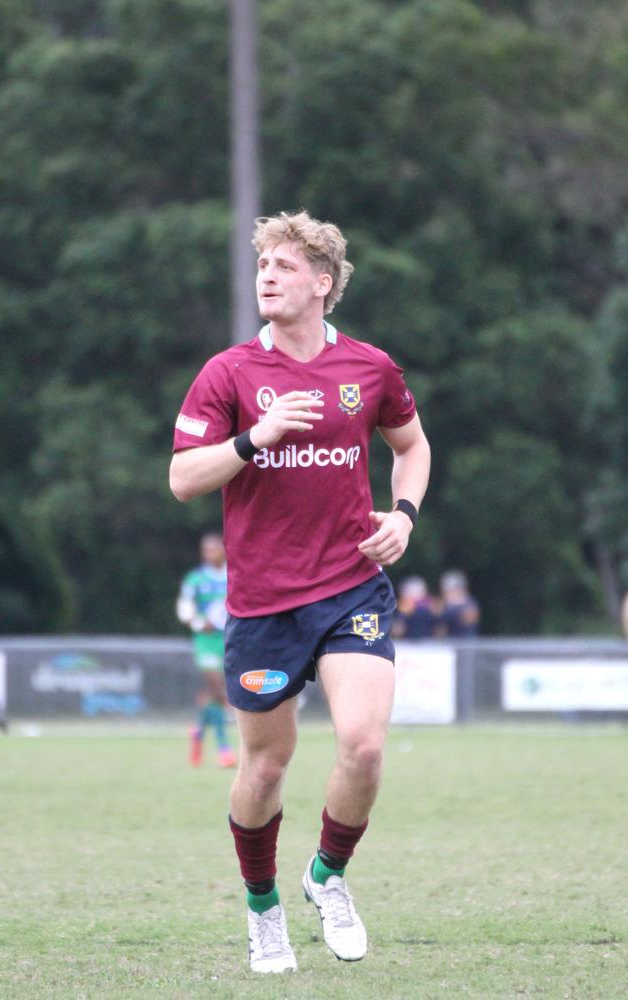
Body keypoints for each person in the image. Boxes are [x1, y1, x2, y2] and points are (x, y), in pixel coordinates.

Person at [169, 210, 431, 974]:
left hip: (352, 586)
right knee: (267, 769)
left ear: (323, 283)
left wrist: (405, 517)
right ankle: (263, 911)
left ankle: (328, 877)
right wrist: (256, 436)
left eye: (285, 266)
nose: (268, 277)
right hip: (262, 602)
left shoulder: (370, 369)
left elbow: (411, 447)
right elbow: (183, 480)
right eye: (263, 267)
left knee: (365, 744)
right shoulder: (228, 375)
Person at [176, 532, 236, 768]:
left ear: (224, 549)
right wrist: (202, 623)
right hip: (206, 640)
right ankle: (224, 750)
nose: (209, 554)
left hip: (231, 638)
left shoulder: (235, 573)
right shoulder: (195, 579)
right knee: (219, 690)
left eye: (214, 549)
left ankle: (198, 731)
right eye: (206, 550)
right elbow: (184, 610)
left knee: (216, 695)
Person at [436, 570, 480, 637]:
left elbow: (469, 620)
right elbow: (439, 630)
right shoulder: (444, 605)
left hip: (466, 644)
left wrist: (451, 609)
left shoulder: (470, 603)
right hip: (448, 644)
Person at [391, 576, 437, 640]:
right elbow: (397, 631)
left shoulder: (431, 606)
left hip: (429, 643)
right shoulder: (400, 608)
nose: (415, 596)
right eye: (412, 592)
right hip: (407, 644)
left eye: (418, 592)